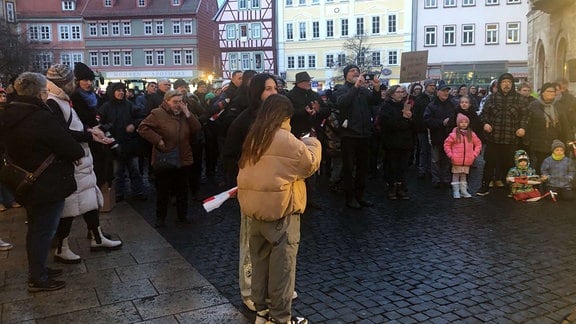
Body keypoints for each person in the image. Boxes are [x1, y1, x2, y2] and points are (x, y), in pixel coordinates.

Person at [237, 94, 320, 324]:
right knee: (282, 270)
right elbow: (309, 164)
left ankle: (261, 312)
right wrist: (312, 142)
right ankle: (280, 318)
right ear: (286, 115)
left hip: (255, 212)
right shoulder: (286, 139)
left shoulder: (254, 137)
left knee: (260, 264)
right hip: (281, 212)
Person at [1, 72, 84, 291]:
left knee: (36, 227)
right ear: (39, 92)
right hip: (46, 182)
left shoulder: (8, 113)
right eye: (45, 90)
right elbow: (70, 147)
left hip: (22, 179)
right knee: (43, 230)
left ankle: (39, 269)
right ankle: (37, 278)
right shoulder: (40, 116)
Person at [45, 64, 123, 264]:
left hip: (81, 159)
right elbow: (60, 133)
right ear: (65, 82)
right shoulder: (54, 101)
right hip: (72, 160)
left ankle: (97, 238)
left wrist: (92, 132)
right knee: (70, 206)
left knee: (88, 199)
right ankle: (62, 247)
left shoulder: (63, 99)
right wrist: (89, 135)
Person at [223, 73, 279, 312]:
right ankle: (250, 290)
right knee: (251, 243)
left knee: (275, 240)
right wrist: (241, 182)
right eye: (267, 89)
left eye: (275, 87)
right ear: (256, 93)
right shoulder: (244, 120)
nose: (273, 92)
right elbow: (229, 156)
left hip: (274, 190)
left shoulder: (278, 118)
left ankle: (273, 288)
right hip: (252, 189)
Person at [138, 90, 201, 227]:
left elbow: (197, 128)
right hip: (165, 157)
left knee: (182, 190)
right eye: (175, 102)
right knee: (163, 191)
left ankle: (182, 216)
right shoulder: (157, 113)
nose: (178, 105)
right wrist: (158, 140)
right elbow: (143, 128)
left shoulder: (185, 114)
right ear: (167, 101)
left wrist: (188, 113)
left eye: (180, 101)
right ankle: (160, 218)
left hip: (183, 156)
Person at [333, 64, 383, 209]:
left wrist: (376, 88)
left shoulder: (363, 90)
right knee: (349, 168)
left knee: (362, 168)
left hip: (364, 134)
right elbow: (342, 102)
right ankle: (350, 198)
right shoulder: (341, 89)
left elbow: (375, 101)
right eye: (352, 71)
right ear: (345, 75)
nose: (355, 73)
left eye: (357, 71)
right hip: (349, 135)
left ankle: (360, 196)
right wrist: (355, 87)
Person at [477, 73, 528, 196]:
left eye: (509, 82)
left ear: (512, 85)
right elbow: (484, 114)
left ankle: (509, 187)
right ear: (499, 84)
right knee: (489, 163)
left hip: (511, 138)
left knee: (509, 164)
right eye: (504, 82)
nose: (506, 84)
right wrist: (485, 123)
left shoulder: (519, 98)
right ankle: (484, 186)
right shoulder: (492, 98)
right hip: (493, 138)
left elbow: (525, 116)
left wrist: (522, 127)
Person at [98, 82, 147, 202]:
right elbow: (99, 123)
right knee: (118, 172)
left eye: (122, 90)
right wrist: (107, 127)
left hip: (130, 143)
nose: (121, 93)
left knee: (134, 170)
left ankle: (138, 192)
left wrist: (133, 125)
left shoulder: (130, 105)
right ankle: (119, 194)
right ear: (112, 92)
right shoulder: (106, 106)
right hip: (114, 144)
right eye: (118, 90)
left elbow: (141, 117)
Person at [377, 85, 415, 200]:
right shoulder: (386, 107)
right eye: (398, 92)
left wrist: (410, 118)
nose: (400, 94)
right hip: (392, 142)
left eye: (402, 92)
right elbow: (386, 124)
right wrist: (402, 119)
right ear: (392, 94)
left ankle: (401, 187)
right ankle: (392, 187)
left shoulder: (406, 106)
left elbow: (413, 125)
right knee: (392, 166)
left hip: (405, 142)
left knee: (402, 167)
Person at [524, 83, 569, 173]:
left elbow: (565, 123)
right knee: (538, 165)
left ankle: (551, 185)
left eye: (553, 91)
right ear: (543, 93)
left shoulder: (558, 106)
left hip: (555, 141)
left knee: (553, 166)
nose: (551, 93)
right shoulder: (534, 106)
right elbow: (527, 123)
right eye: (548, 91)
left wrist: (568, 138)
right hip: (537, 141)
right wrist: (527, 140)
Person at [424, 80, 457, 188]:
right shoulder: (431, 105)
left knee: (447, 159)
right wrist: (441, 123)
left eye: (447, 91)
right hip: (437, 137)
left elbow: (457, 118)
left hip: (449, 137)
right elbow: (427, 120)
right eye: (443, 91)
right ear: (438, 92)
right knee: (435, 160)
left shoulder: (453, 104)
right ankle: (436, 179)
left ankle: (446, 179)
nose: (445, 93)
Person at [443, 113, 482, 198]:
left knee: (464, 175)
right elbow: (447, 144)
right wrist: (450, 155)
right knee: (456, 175)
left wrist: (474, 154)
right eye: (461, 122)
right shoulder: (453, 135)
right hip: (456, 160)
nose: (463, 124)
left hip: (467, 160)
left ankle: (464, 191)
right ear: (458, 123)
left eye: (465, 122)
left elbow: (478, 144)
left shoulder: (471, 134)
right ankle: (456, 191)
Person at [0, 87, 21, 211]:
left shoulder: (9, 111)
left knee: (8, 173)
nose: (3, 98)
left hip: (7, 146)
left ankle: (10, 199)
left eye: (4, 96)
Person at [413, 79, 436, 179]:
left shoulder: (436, 98)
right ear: (426, 86)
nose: (433, 87)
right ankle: (422, 169)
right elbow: (417, 114)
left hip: (434, 128)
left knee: (432, 151)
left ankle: (431, 169)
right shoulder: (420, 98)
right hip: (423, 128)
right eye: (431, 85)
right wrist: (421, 125)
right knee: (423, 150)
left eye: (434, 85)